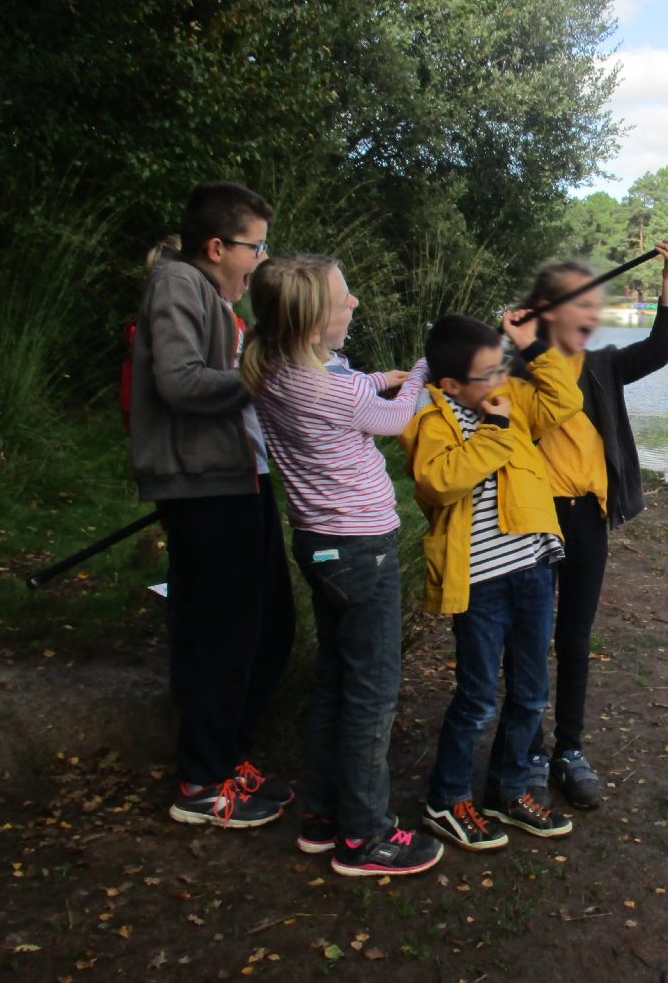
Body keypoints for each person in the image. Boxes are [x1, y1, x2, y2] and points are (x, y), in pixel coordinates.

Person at [242, 253, 443, 877]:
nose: (353, 305)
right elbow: (397, 417)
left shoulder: (272, 367)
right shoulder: (336, 388)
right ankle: (365, 838)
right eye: (343, 300)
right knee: (372, 693)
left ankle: (323, 818)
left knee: (336, 678)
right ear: (309, 327)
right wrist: (421, 372)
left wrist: (379, 377)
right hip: (364, 550)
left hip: (318, 545)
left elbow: (350, 387)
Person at [129, 181, 296, 828]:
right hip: (204, 485)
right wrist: (265, 375)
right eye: (255, 246)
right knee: (223, 634)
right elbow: (178, 381)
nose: (259, 258)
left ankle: (226, 758)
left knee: (271, 624)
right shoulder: (178, 284)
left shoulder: (212, 296)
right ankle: (201, 782)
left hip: (239, 477)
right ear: (217, 245)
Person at [400, 313, 582, 851]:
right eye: (489, 374)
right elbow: (437, 481)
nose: (502, 381)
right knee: (477, 697)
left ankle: (507, 788)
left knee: (530, 693)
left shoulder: (512, 402)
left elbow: (564, 400)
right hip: (481, 582)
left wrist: (530, 345)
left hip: (532, 567)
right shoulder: (433, 420)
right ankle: (447, 798)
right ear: (452, 385)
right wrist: (497, 433)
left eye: (504, 368)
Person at [518, 235, 668, 808]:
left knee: (575, 637)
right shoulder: (520, 365)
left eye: (593, 307)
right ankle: (530, 751)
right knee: (531, 638)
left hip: (587, 519)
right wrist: (516, 335)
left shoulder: (604, 366)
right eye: (579, 305)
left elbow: (661, 350)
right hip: (533, 519)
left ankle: (568, 749)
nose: (590, 316)